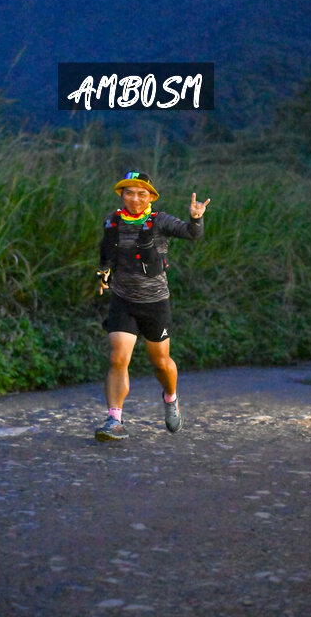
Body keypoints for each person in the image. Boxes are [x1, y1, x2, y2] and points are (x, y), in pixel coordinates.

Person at [95, 170, 210, 441]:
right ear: (122, 195)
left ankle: (171, 397)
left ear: (151, 197)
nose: (135, 199)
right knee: (117, 358)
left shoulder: (160, 221)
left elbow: (191, 234)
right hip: (123, 300)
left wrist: (196, 218)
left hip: (155, 302)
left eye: (141, 194)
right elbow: (107, 250)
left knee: (160, 362)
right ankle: (114, 420)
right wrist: (103, 273)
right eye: (129, 193)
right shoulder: (112, 220)